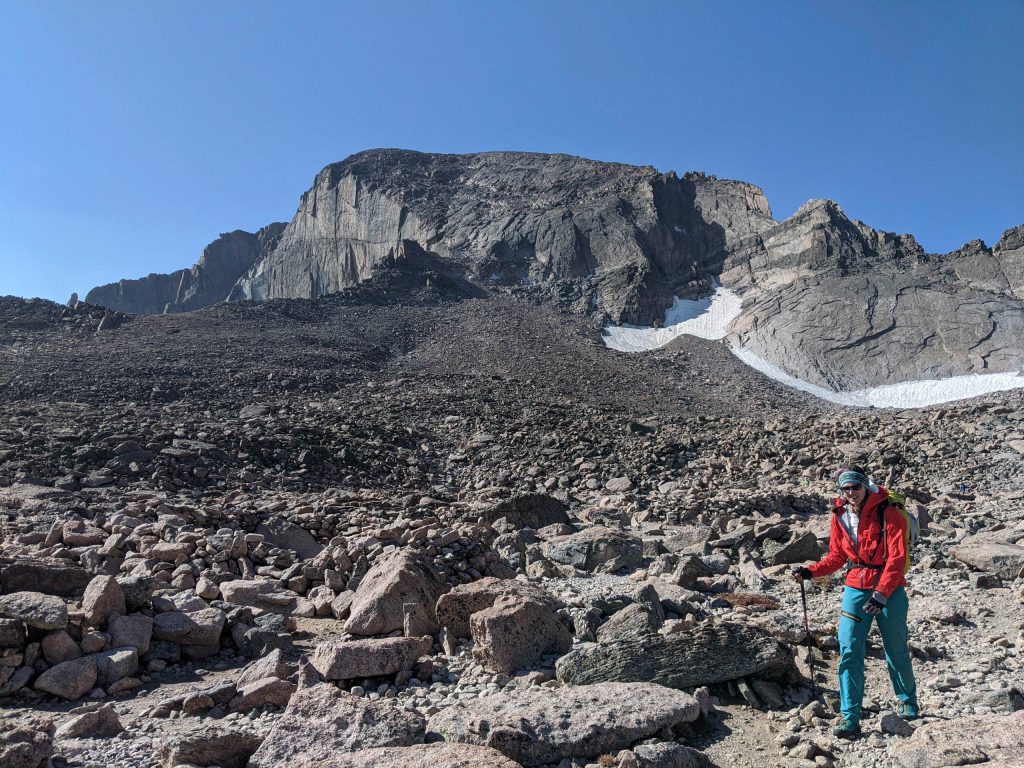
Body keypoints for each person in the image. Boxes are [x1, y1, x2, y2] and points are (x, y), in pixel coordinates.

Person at [792, 466, 919, 738]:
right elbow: (837, 556)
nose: (851, 493)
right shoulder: (840, 515)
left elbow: (897, 558)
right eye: (846, 488)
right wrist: (811, 571)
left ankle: (907, 700)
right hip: (856, 585)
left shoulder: (890, 512)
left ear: (864, 485)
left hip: (890, 588)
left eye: (855, 487)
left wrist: (882, 592)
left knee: (895, 646)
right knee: (849, 648)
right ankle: (850, 715)